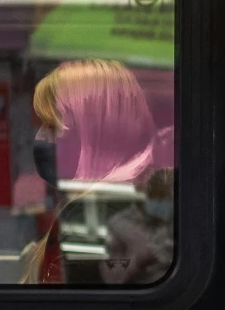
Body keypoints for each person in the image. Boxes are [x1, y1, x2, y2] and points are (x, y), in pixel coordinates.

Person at [21, 58, 158, 284]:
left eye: (53, 126)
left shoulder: (97, 211)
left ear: (95, 131)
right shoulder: (134, 199)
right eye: (42, 124)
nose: (41, 137)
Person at [102, 169, 175, 286]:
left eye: (163, 195)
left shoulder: (180, 220)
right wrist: (138, 260)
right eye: (154, 194)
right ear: (139, 189)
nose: (160, 201)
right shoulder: (120, 225)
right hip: (141, 296)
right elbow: (111, 276)